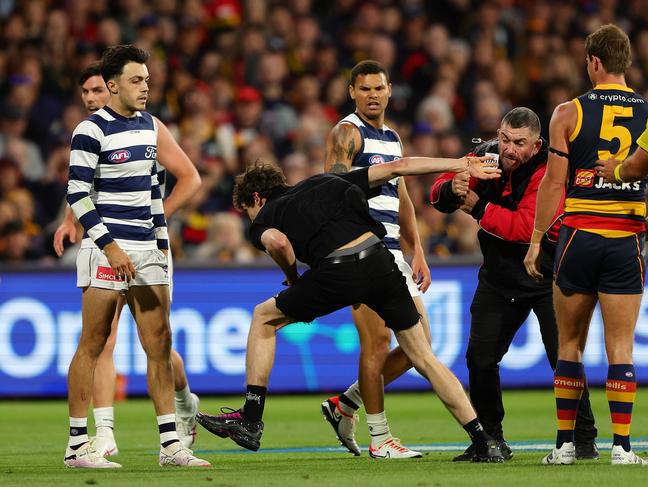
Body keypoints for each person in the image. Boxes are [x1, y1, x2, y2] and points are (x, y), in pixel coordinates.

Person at [195, 154, 505, 463]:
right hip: (380, 261)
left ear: (256, 198)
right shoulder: (325, 180)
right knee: (423, 356)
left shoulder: (266, 215)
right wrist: (461, 164)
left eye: (248, 211)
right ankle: (483, 439)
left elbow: (276, 242)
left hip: (338, 271)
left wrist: (293, 279)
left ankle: (250, 417)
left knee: (264, 316)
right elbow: (400, 167)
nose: (251, 218)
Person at [63, 45, 209, 468]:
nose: (145, 87)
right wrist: (110, 248)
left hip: (148, 252)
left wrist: (159, 244)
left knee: (159, 345)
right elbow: (76, 193)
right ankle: (77, 446)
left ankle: (170, 446)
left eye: (146, 79)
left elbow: (153, 192)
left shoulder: (150, 127)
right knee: (92, 344)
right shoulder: (90, 130)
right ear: (112, 86)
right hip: (107, 250)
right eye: (135, 80)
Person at [430, 107, 597, 461]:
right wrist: (452, 187)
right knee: (480, 359)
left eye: (519, 143)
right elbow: (437, 193)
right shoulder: (484, 154)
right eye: (505, 139)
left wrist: (476, 207)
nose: (509, 149)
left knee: (563, 359)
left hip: (547, 275)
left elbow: (525, 228)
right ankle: (490, 442)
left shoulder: (549, 168)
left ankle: (583, 441)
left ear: (537, 144)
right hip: (499, 277)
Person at [524, 24, 648, 466]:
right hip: (625, 239)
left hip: (577, 236)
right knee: (621, 347)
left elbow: (552, 183)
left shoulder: (567, 112)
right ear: (626, 62)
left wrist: (537, 241)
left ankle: (562, 446)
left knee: (569, 345)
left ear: (593, 62)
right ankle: (622, 447)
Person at [320, 60, 431, 459]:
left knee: (423, 346)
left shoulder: (393, 138)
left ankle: (345, 404)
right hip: (363, 252)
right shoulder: (347, 133)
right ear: (352, 91)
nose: (372, 95)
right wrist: (351, 249)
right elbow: (333, 191)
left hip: (393, 254)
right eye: (364, 89)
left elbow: (401, 198)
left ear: (389, 91)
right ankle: (380, 438)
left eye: (378, 88)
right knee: (377, 344)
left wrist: (415, 249)